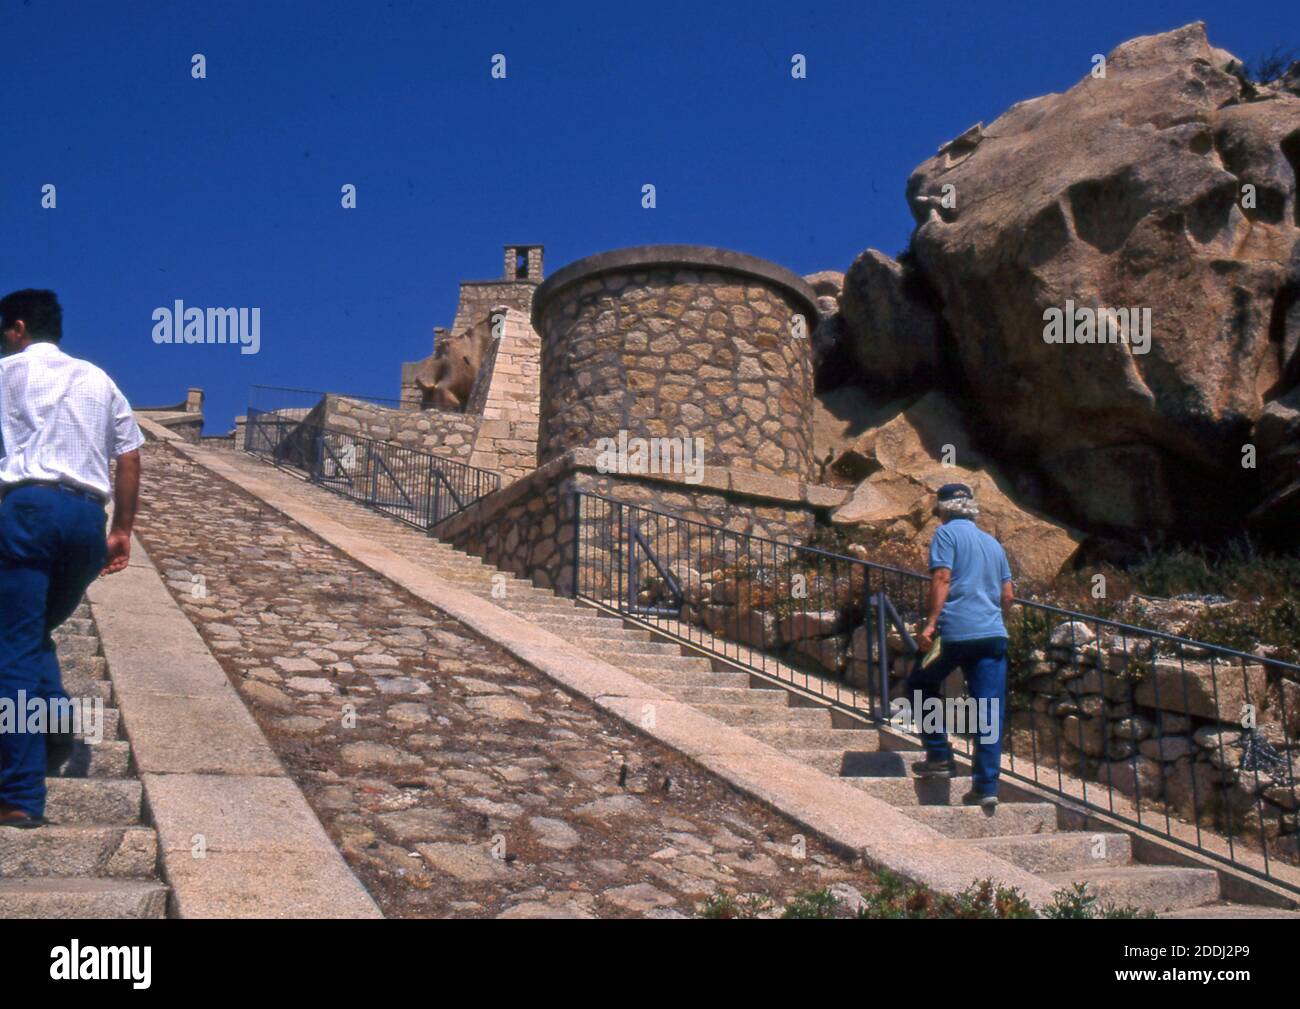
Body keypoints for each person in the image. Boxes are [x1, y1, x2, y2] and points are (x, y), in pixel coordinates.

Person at [0, 289, 143, 828]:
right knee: (32, 631)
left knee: (10, 649)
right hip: (87, 522)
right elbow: (128, 458)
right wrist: (122, 530)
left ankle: (19, 795)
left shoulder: (6, 372)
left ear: (16, 328)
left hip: (29, 510)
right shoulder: (99, 380)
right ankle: (59, 723)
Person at [908, 483, 1013, 808]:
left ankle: (939, 754)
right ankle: (985, 786)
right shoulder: (993, 544)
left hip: (954, 635)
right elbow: (1007, 595)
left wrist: (930, 623)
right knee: (989, 710)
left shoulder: (946, 535)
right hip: (993, 636)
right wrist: (993, 620)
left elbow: (942, 578)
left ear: (943, 510)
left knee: (919, 683)